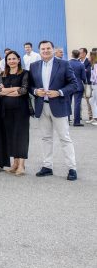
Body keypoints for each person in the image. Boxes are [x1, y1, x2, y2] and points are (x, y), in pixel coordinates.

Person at [29, 40, 79, 181]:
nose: (45, 51)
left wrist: (60, 92)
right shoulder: (34, 66)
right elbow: (30, 86)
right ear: (39, 51)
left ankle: (72, 168)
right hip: (42, 106)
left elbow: (74, 84)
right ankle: (47, 166)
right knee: (46, 138)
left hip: (59, 106)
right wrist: (35, 91)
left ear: (53, 49)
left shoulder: (64, 64)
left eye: (48, 48)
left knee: (65, 138)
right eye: (43, 49)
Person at [0, 50, 30, 176]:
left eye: (13, 58)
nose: (11, 61)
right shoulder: (3, 74)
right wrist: (14, 88)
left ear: (19, 59)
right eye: (9, 59)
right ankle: (14, 163)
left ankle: (21, 165)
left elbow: (23, 90)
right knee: (11, 136)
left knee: (21, 136)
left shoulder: (25, 73)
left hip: (21, 110)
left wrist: (7, 91)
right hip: (6, 110)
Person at [69, 49, 87, 126]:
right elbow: (83, 77)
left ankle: (67, 120)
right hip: (78, 86)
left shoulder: (67, 63)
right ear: (78, 55)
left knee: (67, 103)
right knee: (77, 104)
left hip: (68, 86)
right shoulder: (81, 64)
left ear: (72, 55)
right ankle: (76, 122)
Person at [79, 48, 93, 123]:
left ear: (84, 53)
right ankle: (79, 116)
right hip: (78, 83)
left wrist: (82, 70)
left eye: (80, 53)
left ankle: (91, 116)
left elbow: (89, 71)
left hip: (87, 83)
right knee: (78, 100)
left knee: (89, 100)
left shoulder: (89, 61)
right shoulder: (77, 61)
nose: (79, 54)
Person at [89, 50, 97, 126]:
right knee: (92, 101)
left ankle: (95, 118)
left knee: (93, 101)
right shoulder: (93, 65)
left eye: (90, 55)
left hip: (95, 85)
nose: (89, 57)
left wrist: (92, 80)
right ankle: (94, 118)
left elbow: (95, 77)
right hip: (94, 85)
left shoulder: (95, 65)